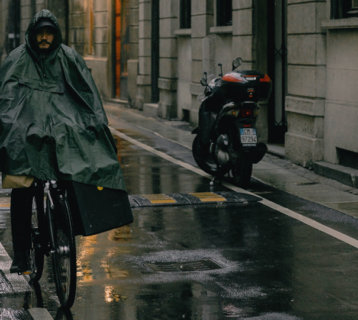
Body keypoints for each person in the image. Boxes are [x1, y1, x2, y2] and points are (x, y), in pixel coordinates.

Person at [0, 10, 127, 273]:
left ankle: (65, 227)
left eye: (49, 33)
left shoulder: (69, 58)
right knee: (21, 189)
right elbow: (6, 100)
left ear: (55, 35)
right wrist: (14, 128)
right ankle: (21, 254)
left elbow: (88, 97)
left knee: (75, 175)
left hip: (62, 132)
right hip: (28, 136)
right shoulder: (17, 60)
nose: (44, 38)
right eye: (40, 33)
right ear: (32, 35)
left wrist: (98, 128)